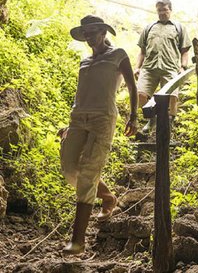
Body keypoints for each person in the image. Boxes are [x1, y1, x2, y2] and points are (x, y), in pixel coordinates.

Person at [59, 15, 138, 255]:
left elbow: (132, 85)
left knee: (89, 172)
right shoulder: (85, 61)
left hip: (103, 118)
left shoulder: (118, 54)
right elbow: (81, 92)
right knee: (69, 167)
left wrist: (133, 116)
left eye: (93, 32)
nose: (89, 37)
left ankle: (78, 241)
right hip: (78, 118)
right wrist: (68, 125)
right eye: (86, 33)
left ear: (104, 32)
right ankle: (107, 197)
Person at [134, 0, 191, 134]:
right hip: (149, 68)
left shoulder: (178, 27)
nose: (162, 13)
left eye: (165, 10)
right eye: (159, 10)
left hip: (170, 68)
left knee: (172, 97)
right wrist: (137, 67)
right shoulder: (149, 27)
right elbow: (142, 51)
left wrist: (183, 66)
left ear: (170, 10)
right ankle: (151, 119)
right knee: (140, 94)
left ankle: (169, 122)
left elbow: (185, 50)